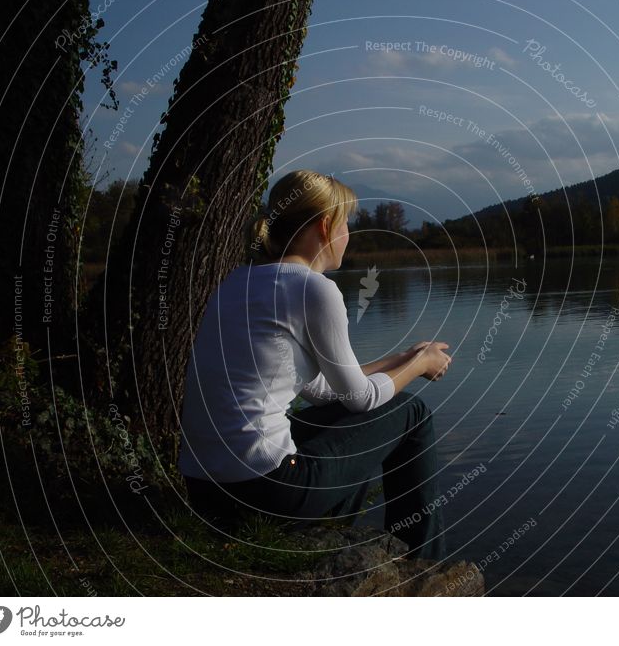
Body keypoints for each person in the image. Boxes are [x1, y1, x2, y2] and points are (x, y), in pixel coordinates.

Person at [178, 169, 452, 560]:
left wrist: (404, 357)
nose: (349, 237)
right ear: (325, 227)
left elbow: (326, 391)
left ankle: (328, 533)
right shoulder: (313, 289)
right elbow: (358, 399)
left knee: (349, 421)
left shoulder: (238, 281)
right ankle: (422, 564)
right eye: (347, 225)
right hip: (267, 486)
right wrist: (421, 363)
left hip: (206, 490)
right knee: (412, 411)